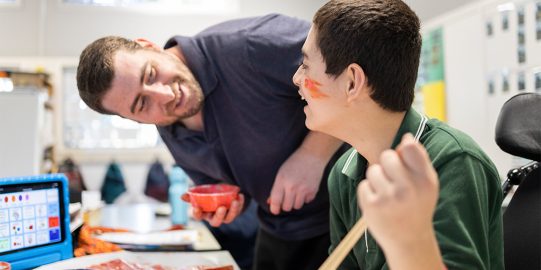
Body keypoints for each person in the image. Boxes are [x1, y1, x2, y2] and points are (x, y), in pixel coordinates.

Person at [76, 14, 347, 270]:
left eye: (150, 74)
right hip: (282, 229)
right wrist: (231, 203)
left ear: (149, 47)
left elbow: (350, 68)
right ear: (135, 121)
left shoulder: (250, 43)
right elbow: (233, 187)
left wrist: (313, 154)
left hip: (351, 209)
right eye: (142, 104)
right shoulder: (169, 127)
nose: (165, 95)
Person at [292, 0, 504, 269]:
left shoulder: (453, 161)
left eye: (306, 65)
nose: (296, 78)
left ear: (352, 82)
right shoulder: (343, 174)